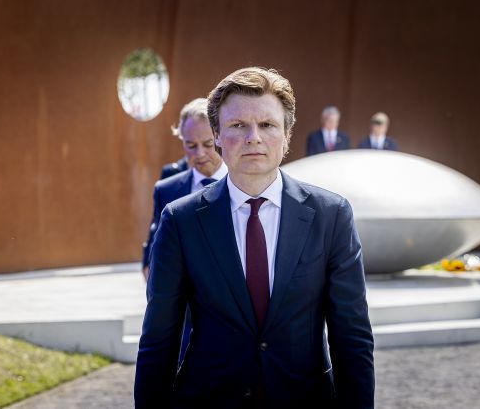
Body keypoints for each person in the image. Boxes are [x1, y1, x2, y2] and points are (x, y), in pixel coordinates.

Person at [135, 67, 374, 408]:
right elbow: (159, 338)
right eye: (237, 125)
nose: (253, 137)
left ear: (287, 134)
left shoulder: (331, 215)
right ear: (217, 134)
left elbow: (352, 336)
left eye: (267, 125)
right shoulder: (180, 221)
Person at [142, 98, 228, 278]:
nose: (200, 153)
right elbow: (157, 244)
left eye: (208, 144)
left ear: (221, 137)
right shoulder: (166, 190)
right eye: (191, 145)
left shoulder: (245, 183)